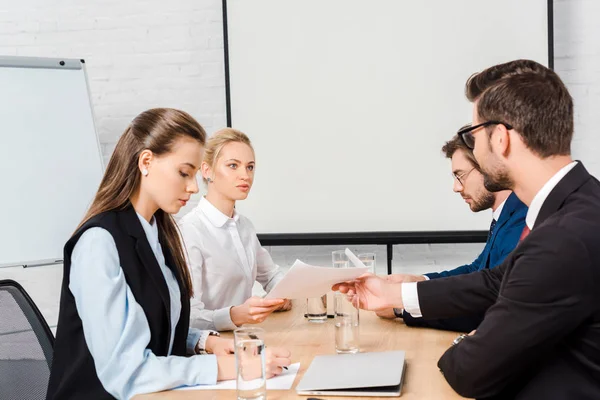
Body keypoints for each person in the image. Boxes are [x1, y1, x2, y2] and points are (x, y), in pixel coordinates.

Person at [334, 60, 600, 399]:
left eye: (473, 137)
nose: (473, 148)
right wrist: (392, 295)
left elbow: (471, 372)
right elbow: (495, 282)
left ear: (500, 138)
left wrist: (468, 340)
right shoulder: (580, 204)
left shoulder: (563, 239)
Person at [47, 109, 290, 400]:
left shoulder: (159, 233)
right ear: (146, 161)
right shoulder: (98, 243)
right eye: (184, 173)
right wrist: (229, 365)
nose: (192, 187)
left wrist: (203, 342)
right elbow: (128, 371)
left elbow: (154, 325)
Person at [377, 131, 527, 333]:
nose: (456, 187)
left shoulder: (522, 219)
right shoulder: (508, 214)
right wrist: (419, 282)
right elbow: (478, 271)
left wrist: (402, 308)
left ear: (488, 167)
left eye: (460, 175)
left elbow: (488, 307)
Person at [179, 128, 290, 332]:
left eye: (250, 167)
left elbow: (271, 276)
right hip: (211, 350)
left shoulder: (244, 226)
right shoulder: (190, 230)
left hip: (246, 338)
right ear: (207, 171)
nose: (245, 175)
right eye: (233, 166)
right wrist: (235, 315)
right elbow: (189, 317)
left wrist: (283, 294)